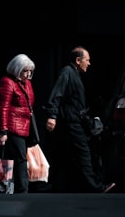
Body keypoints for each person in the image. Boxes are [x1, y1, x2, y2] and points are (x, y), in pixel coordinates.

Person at [44, 46, 115, 193]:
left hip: (74, 121)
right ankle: (96, 187)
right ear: (78, 60)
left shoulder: (74, 74)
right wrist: (52, 115)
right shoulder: (67, 72)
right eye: (87, 60)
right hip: (71, 122)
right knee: (83, 153)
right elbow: (57, 93)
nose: (89, 63)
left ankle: (60, 187)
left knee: (66, 155)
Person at [0, 54, 37, 194]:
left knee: (19, 159)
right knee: (20, 159)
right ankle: (22, 189)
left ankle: (18, 188)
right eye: (25, 70)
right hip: (13, 127)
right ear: (17, 69)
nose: (29, 74)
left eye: (30, 71)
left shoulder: (26, 83)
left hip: (24, 126)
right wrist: (3, 131)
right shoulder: (7, 82)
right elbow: (3, 107)